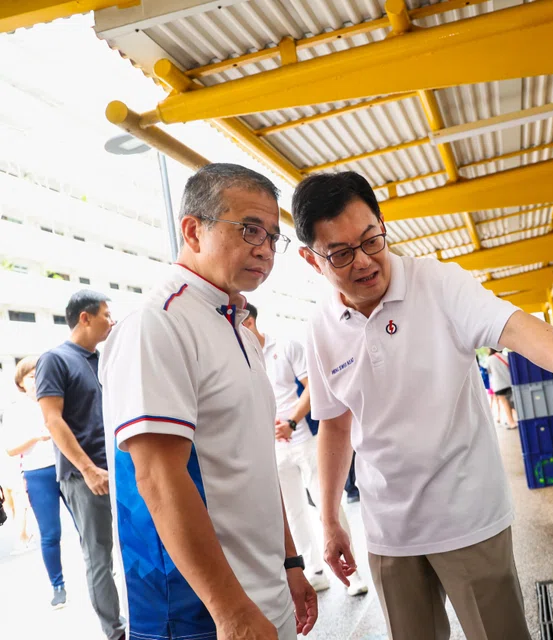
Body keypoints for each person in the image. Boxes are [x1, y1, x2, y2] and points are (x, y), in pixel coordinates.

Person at [291, 171, 553, 640]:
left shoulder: (436, 283)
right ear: (311, 260)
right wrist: (331, 518)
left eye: (371, 239)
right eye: (340, 253)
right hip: (389, 534)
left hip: (468, 518)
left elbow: (514, 325)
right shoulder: (320, 327)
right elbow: (335, 424)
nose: (363, 261)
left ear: (381, 222)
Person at [99, 164, 317, 640]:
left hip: (263, 590)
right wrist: (231, 612)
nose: (264, 248)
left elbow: (255, 461)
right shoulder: (157, 323)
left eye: (272, 235)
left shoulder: (237, 325)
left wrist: (291, 562)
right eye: (250, 229)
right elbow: (158, 477)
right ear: (193, 230)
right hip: (200, 611)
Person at [241, 303, 369, 597]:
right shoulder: (239, 359)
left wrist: (290, 421)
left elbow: (313, 390)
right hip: (273, 449)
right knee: (293, 513)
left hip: (305, 441)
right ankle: (314, 569)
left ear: (249, 323)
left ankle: (353, 573)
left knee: (329, 507)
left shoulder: (286, 347)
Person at [35, 289, 125, 640]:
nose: (111, 321)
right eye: (105, 314)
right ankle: (115, 632)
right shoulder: (55, 359)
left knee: (134, 544)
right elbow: (53, 421)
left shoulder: (102, 359)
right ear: (84, 318)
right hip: (85, 476)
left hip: (117, 468)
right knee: (99, 556)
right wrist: (88, 469)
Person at [3, 356, 67, 609]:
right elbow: (10, 449)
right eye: (31, 376)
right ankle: (58, 585)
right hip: (37, 473)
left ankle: (100, 572)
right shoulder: (15, 410)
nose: (37, 380)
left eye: (40, 374)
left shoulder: (56, 399)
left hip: (67, 466)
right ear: (20, 382)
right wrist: (36, 437)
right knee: (50, 533)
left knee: (89, 525)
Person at [485, 348, 517, 429]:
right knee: (511, 402)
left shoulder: (489, 359)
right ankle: (514, 420)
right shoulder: (505, 356)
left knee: (505, 403)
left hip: (498, 385)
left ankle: (511, 422)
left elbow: (488, 371)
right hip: (508, 382)